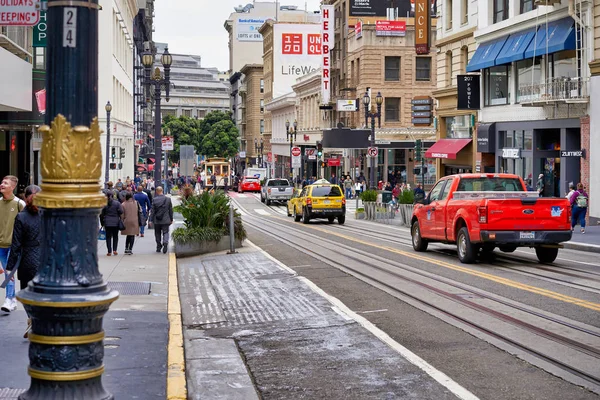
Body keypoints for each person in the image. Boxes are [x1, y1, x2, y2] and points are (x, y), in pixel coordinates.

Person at [5, 185, 41, 337]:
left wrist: (10, 268)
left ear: (25, 198)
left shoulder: (21, 217)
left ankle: (32, 318)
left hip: (28, 260)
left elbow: (16, 244)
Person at [0, 176, 25, 314]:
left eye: (5, 183)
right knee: (7, 273)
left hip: (14, 246)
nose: (2, 184)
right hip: (1, 246)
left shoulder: (19, 204)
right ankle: (12, 298)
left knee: (9, 273)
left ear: (13, 187)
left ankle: (9, 299)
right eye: (2, 182)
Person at [100, 191, 123, 256]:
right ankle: (115, 250)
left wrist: (102, 223)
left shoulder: (105, 204)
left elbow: (102, 214)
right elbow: (121, 211)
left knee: (108, 237)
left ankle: (109, 251)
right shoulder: (117, 203)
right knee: (115, 236)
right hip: (115, 222)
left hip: (107, 222)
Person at [151, 186, 173, 254]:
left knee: (157, 233)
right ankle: (165, 242)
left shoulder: (154, 200)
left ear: (157, 191)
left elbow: (152, 211)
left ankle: (158, 246)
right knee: (165, 232)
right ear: (162, 190)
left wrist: (151, 220)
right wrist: (171, 219)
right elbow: (171, 210)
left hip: (157, 220)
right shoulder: (168, 199)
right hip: (166, 219)